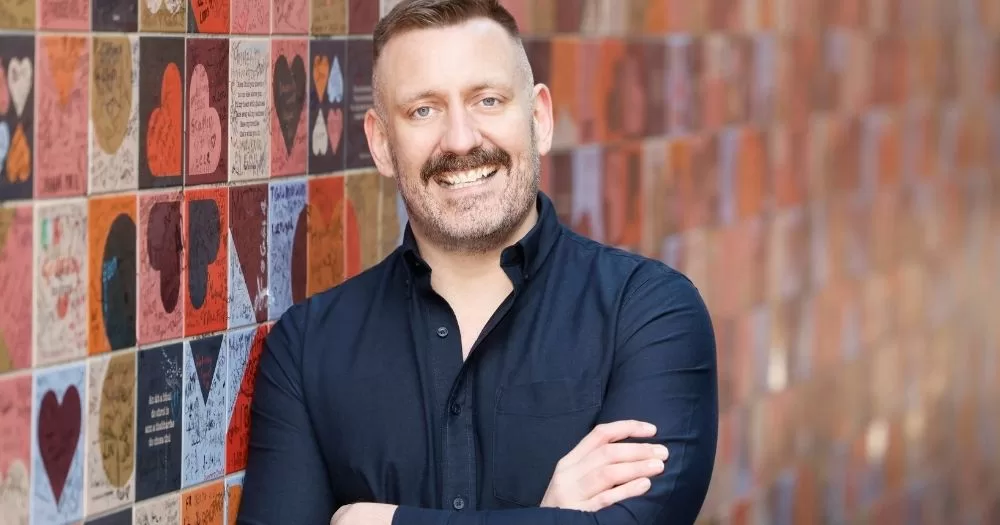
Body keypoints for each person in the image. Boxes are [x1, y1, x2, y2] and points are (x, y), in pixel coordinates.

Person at [236, 0, 718, 524]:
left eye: (487, 100)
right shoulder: (307, 350)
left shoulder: (649, 316)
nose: (461, 139)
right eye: (424, 110)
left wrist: (380, 521)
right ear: (381, 144)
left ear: (539, 119)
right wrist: (550, 515)